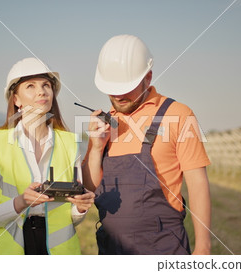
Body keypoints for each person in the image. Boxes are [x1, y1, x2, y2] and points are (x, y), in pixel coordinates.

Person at [83, 35, 211, 255]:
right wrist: (96, 148)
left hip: (163, 247)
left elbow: (197, 183)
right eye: (112, 88)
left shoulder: (178, 115)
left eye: (127, 87)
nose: (119, 95)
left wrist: (203, 246)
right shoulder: (104, 125)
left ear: (148, 77)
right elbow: (90, 187)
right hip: (111, 250)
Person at [0, 57, 95, 255]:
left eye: (46, 85)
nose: (41, 91)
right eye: (30, 86)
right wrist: (20, 202)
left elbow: (71, 217)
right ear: (16, 100)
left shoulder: (70, 144)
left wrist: (81, 209)